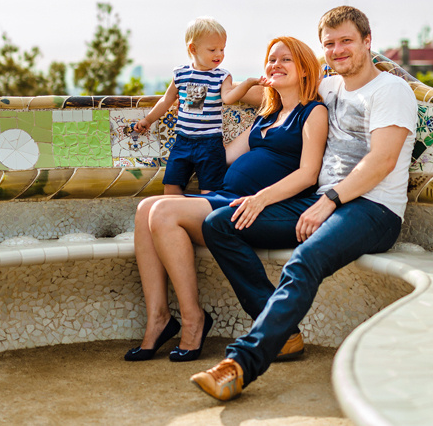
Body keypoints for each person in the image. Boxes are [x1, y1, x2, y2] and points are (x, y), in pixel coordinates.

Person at [191, 6, 418, 400]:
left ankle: (241, 363)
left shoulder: (391, 91)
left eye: (346, 40)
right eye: (329, 44)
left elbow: (381, 161)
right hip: (320, 202)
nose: (337, 50)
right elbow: (283, 87)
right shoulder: (328, 89)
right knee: (220, 224)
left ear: (368, 42)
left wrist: (330, 199)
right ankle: (282, 333)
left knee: (304, 260)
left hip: (372, 209)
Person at [125, 36, 328, 363]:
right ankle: (159, 318)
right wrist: (192, 125)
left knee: (163, 212)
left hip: (261, 206)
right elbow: (223, 156)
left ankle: (193, 321)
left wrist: (261, 199)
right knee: (145, 208)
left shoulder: (312, 112)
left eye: (285, 60)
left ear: (305, 70)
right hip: (229, 194)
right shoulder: (266, 116)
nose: (275, 65)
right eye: (271, 59)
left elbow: (308, 173)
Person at [135, 17, 263, 195]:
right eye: (212, 50)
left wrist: (248, 83)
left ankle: (201, 220)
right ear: (193, 49)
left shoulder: (222, 76)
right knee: (171, 186)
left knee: (209, 191)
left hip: (210, 144)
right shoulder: (181, 74)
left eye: (222, 49)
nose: (219, 54)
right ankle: (172, 217)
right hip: (183, 141)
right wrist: (148, 120)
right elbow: (166, 100)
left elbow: (228, 98)